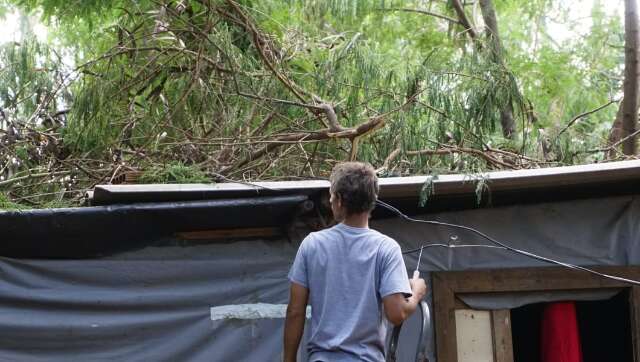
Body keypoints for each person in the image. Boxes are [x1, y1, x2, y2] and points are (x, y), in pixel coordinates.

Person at [283, 162, 427, 362]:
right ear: (372, 200)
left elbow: (295, 311)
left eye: (331, 195)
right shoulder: (386, 248)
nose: (331, 200)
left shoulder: (312, 244)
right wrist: (417, 293)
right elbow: (397, 313)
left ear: (340, 200)